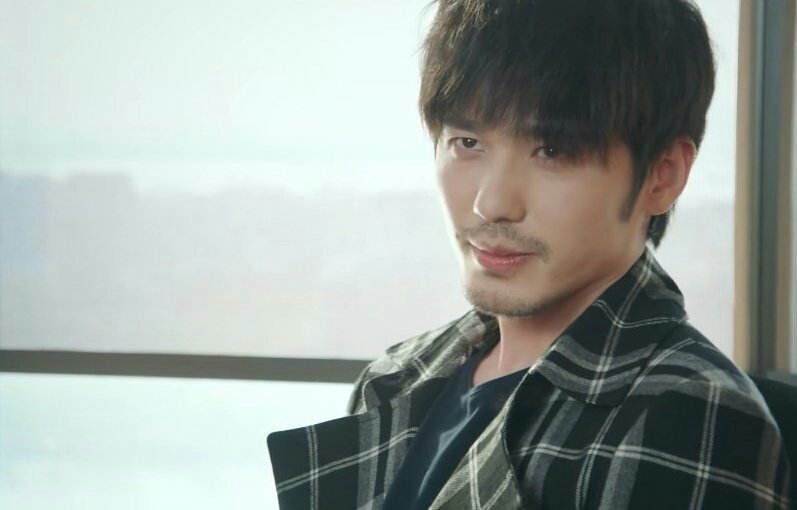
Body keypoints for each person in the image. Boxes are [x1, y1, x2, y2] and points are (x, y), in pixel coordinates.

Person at [267, 0, 792, 508]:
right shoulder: (398, 375)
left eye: (552, 151)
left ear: (662, 175)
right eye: (467, 143)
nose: (491, 203)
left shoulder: (687, 414)